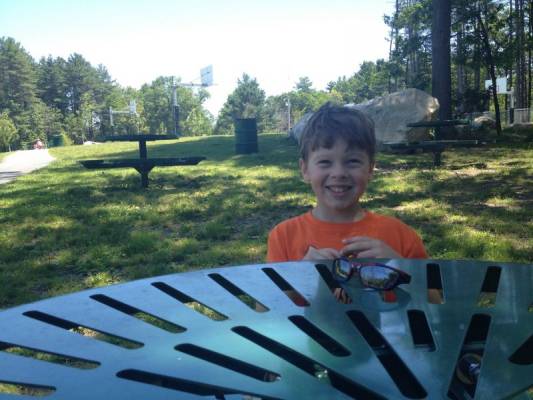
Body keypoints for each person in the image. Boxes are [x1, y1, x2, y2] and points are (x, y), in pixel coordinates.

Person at [267, 101, 427, 265]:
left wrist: (399, 266)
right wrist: (301, 274)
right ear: (305, 169)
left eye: (352, 161)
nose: (339, 173)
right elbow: (273, 283)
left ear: (370, 169)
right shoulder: (283, 237)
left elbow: (431, 283)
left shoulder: (401, 237)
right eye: (325, 162)